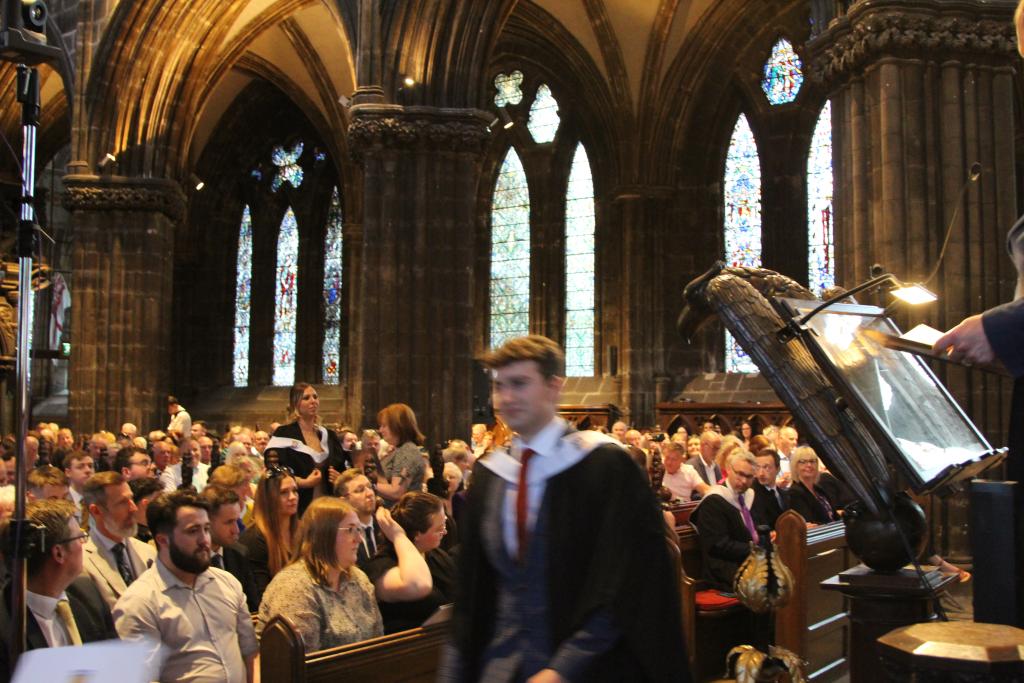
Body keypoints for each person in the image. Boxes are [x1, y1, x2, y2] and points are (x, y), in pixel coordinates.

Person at [443, 335, 687, 682]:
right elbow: (471, 596)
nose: (506, 397)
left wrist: (563, 668)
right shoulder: (491, 476)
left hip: (590, 669)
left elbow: (628, 582)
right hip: (502, 667)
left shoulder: (604, 468)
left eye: (519, 384)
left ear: (553, 387)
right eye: (499, 386)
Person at [113, 490, 258, 683]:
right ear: (163, 540)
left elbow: (251, 652)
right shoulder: (140, 602)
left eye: (206, 529)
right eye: (193, 531)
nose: (204, 540)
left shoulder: (227, 582)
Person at [0, 499, 116, 680]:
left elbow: (113, 663)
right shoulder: (8, 621)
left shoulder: (88, 594)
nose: (83, 544)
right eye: (80, 537)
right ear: (58, 553)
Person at [256, 497, 384, 650]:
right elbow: (302, 661)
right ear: (324, 535)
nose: (359, 539)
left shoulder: (358, 578)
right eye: (350, 530)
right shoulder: (294, 586)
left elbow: (378, 641)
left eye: (359, 529)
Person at [366, 491, 452, 634]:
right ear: (417, 534)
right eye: (439, 529)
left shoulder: (437, 555)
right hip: (406, 650)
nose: (445, 532)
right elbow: (418, 584)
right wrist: (398, 536)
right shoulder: (381, 565)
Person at [266, 383, 346, 516]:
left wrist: (340, 478)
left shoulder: (329, 435)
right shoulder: (283, 434)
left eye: (315, 397)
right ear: (295, 404)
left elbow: (343, 468)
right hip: (299, 506)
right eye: (306, 398)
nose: (313, 401)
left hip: (328, 505)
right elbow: (273, 472)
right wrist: (304, 482)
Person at [81, 472, 157, 609]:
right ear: (96, 511)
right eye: (123, 503)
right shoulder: (82, 562)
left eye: (132, 499)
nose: (133, 508)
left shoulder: (149, 552)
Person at [689, 450, 760, 591]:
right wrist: (755, 549)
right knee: (763, 587)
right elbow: (718, 545)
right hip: (723, 569)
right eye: (739, 474)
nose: (744, 481)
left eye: (749, 476)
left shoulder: (749, 496)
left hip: (751, 562)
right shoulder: (714, 500)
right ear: (728, 469)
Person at [239, 465, 299, 604]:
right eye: (284, 492)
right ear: (269, 498)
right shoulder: (254, 540)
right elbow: (263, 598)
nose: (292, 497)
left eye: (295, 491)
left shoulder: (303, 531)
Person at [201, 486, 259, 612]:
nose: (236, 530)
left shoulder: (239, 553)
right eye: (229, 522)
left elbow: (253, 607)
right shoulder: (191, 562)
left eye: (237, 521)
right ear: (206, 522)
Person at [375, 403, 427, 508]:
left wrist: (368, 485)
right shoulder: (401, 449)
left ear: (398, 426)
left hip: (400, 515)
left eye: (384, 426)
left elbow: (397, 492)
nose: (380, 430)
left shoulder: (407, 451)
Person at [334, 468, 382, 570]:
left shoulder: (386, 526)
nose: (369, 494)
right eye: (360, 490)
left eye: (370, 487)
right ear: (344, 501)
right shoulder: (339, 536)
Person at [787, 446, 847, 526]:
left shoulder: (819, 489)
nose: (809, 465)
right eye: (803, 461)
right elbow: (809, 523)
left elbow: (833, 517)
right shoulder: (795, 493)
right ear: (795, 466)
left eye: (812, 461)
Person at [750, 448, 788, 530]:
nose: (761, 473)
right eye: (758, 467)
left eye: (766, 467)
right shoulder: (752, 494)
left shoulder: (783, 494)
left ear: (778, 469)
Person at [129, 476, 166, 543]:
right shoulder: (132, 540)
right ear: (146, 504)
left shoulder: (161, 528)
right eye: (160, 498)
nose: (165, 503)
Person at [63, 450, 95, 525]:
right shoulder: (61, 500)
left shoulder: (101, 499)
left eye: (90, 466)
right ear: (68, 472)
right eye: (80, 467)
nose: (88, 470)